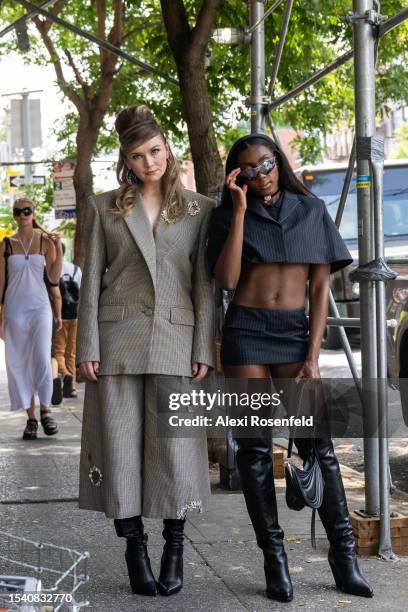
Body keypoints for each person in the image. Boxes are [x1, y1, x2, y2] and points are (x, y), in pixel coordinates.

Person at [207, 133, 373, 602]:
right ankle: (274, 560)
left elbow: (320, 289)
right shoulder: (230, 215)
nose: (260, 176)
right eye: (248, 170)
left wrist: (313, 354)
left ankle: (345, 557)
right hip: (244, 334)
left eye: (266, 165)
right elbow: (227, 279)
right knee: (255, 452)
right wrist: (238, 211)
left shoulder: (311, 211)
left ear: (278, 162)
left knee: (317, 445)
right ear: (236, 175)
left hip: (293, 337)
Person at [76, 106, 215, 597]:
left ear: (168, 147)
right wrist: (85, 347)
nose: (149, 162)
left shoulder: (199, 209)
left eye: (155, 150)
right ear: (126, 161)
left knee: (176, 452)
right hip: (116, 343)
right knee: (118, 449)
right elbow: (91, 281)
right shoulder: (104, 207)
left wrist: (204, 347)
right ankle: (134, 547)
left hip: (179, 341)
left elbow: (204, 284)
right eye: (138, 156)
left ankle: (174, 546)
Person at [0, 198, 63, 440]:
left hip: (40, 308)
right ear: (14, 215)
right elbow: (1, 284)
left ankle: (46, 410)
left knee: (41, 357)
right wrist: (1, 315)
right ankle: (31, 418)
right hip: (15, 308)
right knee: (19, 361)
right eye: (18, 211)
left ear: (33, 213)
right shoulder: (5, 244)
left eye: (27, 210)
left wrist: (57, 250)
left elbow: (54, 278)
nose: (23, 214)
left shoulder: (45, 241)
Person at [53, 242, 82, 399]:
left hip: (59, 316)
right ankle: (71, 388)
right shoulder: (76, 269)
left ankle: (65, 374)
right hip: (75, 315)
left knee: (58, 351)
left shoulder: (52, 269)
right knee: (71, 352)